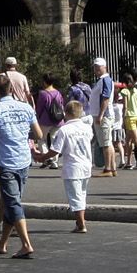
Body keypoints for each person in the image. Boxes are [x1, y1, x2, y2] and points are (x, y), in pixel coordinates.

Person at [0, 73, 37, 258]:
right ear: (11, 89)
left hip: (5, 162)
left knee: (12, 203)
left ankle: (26, 244)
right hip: (23, 159)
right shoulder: (26, 107)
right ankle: (2, 243)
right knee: (11, 200)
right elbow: (38, 134)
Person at [52, 100, 94, 233]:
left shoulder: (64, 129)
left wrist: (41, 157)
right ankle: (80, 222)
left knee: (75, 196)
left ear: (66, 113)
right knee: (82, 193)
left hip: (72, 166)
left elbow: (55, 150)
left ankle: (81, 224)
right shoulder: (87, 128)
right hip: (86, 164)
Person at [90, 58, 118, 177]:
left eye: (99, 66)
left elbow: (105, 98)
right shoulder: (102, 80)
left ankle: (108, 169)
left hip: (103, 115)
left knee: (105, 142)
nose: (97, 68)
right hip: (103, 115)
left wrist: (100, 115)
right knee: (107, 142)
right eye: (95, 66)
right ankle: (112, 167)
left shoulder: (105, 80)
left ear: (105, 67)